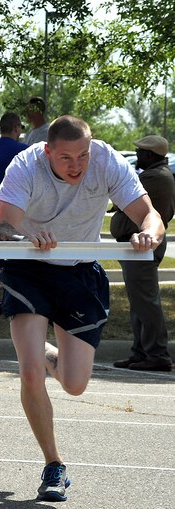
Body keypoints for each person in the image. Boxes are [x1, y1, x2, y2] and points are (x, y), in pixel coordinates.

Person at [0, 115, 164, 502]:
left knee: (75, 384)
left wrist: (149, 233)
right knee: (30, 372)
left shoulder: (106, 160)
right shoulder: (26, 164)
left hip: (80, 271)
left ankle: (49, 354)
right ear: (48, 151)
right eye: (66, 157)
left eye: (82, 155)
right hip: (27, 268)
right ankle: (54, 464)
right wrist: (26, 235)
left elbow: (149, 215)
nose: (76, 165)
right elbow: (1, 229)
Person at [110, 135, 174, 372]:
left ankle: (157, 353)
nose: (137, 156)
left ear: (150, 155)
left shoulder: (154, 177)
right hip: (138, 245)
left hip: (143, 245)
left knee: (146, 302)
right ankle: (141, 352)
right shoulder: (158, 175)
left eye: (140, 152)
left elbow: (121, 198)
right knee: (139, 302)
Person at [0, 112, 28, 312]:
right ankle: (15, 298)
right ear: (16, 127)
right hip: (18, 206)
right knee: (21, 254)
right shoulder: (23, 151)